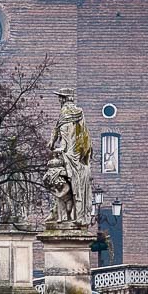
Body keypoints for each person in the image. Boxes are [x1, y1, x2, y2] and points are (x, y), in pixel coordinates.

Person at [49, 90, 93, 225]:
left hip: (69, 153)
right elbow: (83, 135)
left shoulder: (65, 112)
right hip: (77, 154)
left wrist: (57, 145)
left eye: (60, 98)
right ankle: (64, 213)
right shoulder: (79, 113)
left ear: (64, 99)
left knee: (70, 182)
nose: (59, 100)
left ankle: (62, 214)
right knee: (76, 185)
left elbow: (64, 132)